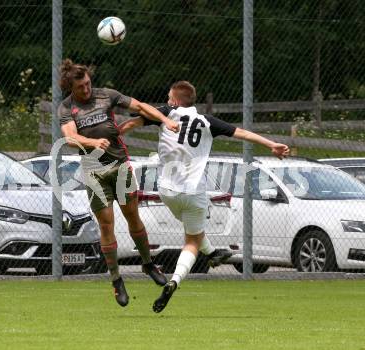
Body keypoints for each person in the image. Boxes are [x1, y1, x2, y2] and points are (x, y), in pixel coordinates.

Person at [118, 81, 290, 313]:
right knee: (192, 240)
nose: (168, 101)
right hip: (194, 192)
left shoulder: (167, 113)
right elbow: (242, 133)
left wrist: (111, 134)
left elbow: (133, 121)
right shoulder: (207, 121)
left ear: (176, 101)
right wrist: (272, 144)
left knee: (193, 230)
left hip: (166, 191)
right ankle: (175, 281)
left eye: (169, 97)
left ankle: (212, 253)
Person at [58, 59, 179, 307]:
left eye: (88, 84)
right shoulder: (66, 107)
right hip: (94, 172)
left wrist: (165, 121)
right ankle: (116, 279)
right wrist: (92, 143)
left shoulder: (106, 95)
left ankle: (147, 264)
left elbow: (140, 106)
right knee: (106, 225)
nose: (86, 89)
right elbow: (70, 138)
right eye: (81, 87)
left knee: (133, 216)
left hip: (120, 166)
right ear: (71, 87)